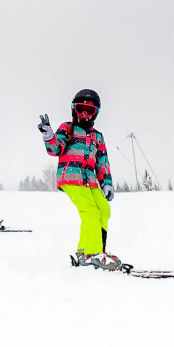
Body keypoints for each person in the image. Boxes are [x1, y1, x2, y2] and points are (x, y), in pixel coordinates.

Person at [38, 89, 120, 270]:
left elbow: (102, 162)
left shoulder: (97, 136)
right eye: (81, 109)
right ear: (74, 110)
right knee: (90, 212)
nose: (84, 114)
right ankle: (89, 254)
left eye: (89, 110)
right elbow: (55, 149)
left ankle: (96, 251)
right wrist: (48, 135)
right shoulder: (68, 128)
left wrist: (106, 183)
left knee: (103, 209)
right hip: (71, 176)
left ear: (95, 113)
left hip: (89, 179)